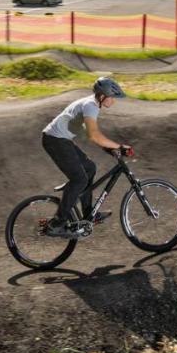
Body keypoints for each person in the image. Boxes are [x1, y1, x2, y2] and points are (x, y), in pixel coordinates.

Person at [41, 76, 132, 238]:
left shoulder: (92, 104)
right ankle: (57, 223)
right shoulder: (90, 106)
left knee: (90, 168)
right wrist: (118, 147)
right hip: (54, 140)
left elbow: (90, 132)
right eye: (112, 97)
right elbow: (94, 135)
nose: (114, 101)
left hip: (62, 140)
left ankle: (88, 213)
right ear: (102, 96)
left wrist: (108, 149)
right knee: (79, 179)